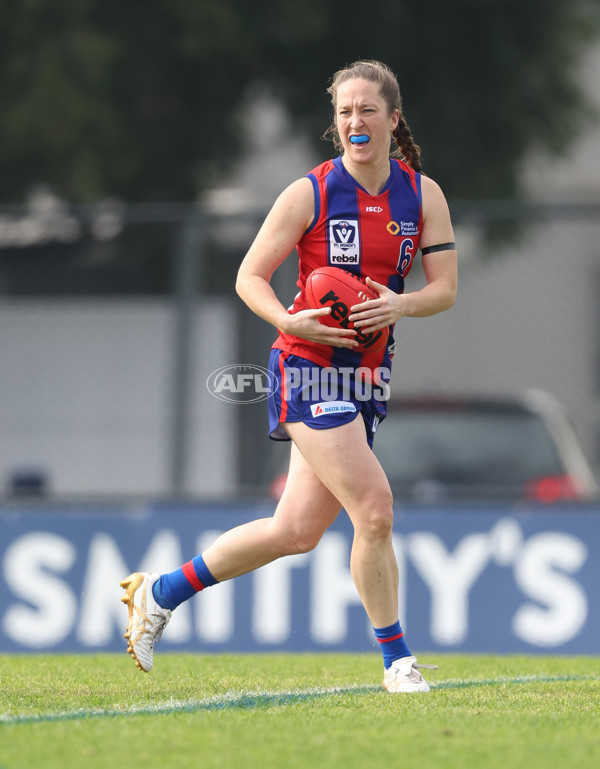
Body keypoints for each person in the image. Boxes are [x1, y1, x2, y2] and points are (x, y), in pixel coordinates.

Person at [120, 59, 457, 693]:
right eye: (344, 112)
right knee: (375, 510)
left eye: (366, 110)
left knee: (296, 530)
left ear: (392, 117)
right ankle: (398, 661)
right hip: (305, 368)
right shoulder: (311, 192)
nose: (355, 122)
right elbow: (249, 276)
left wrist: (400, 303)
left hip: (365, 376)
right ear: (336, 123)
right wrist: (289, 321)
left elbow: (445, 290)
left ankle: (157, 593)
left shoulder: (424, 195)